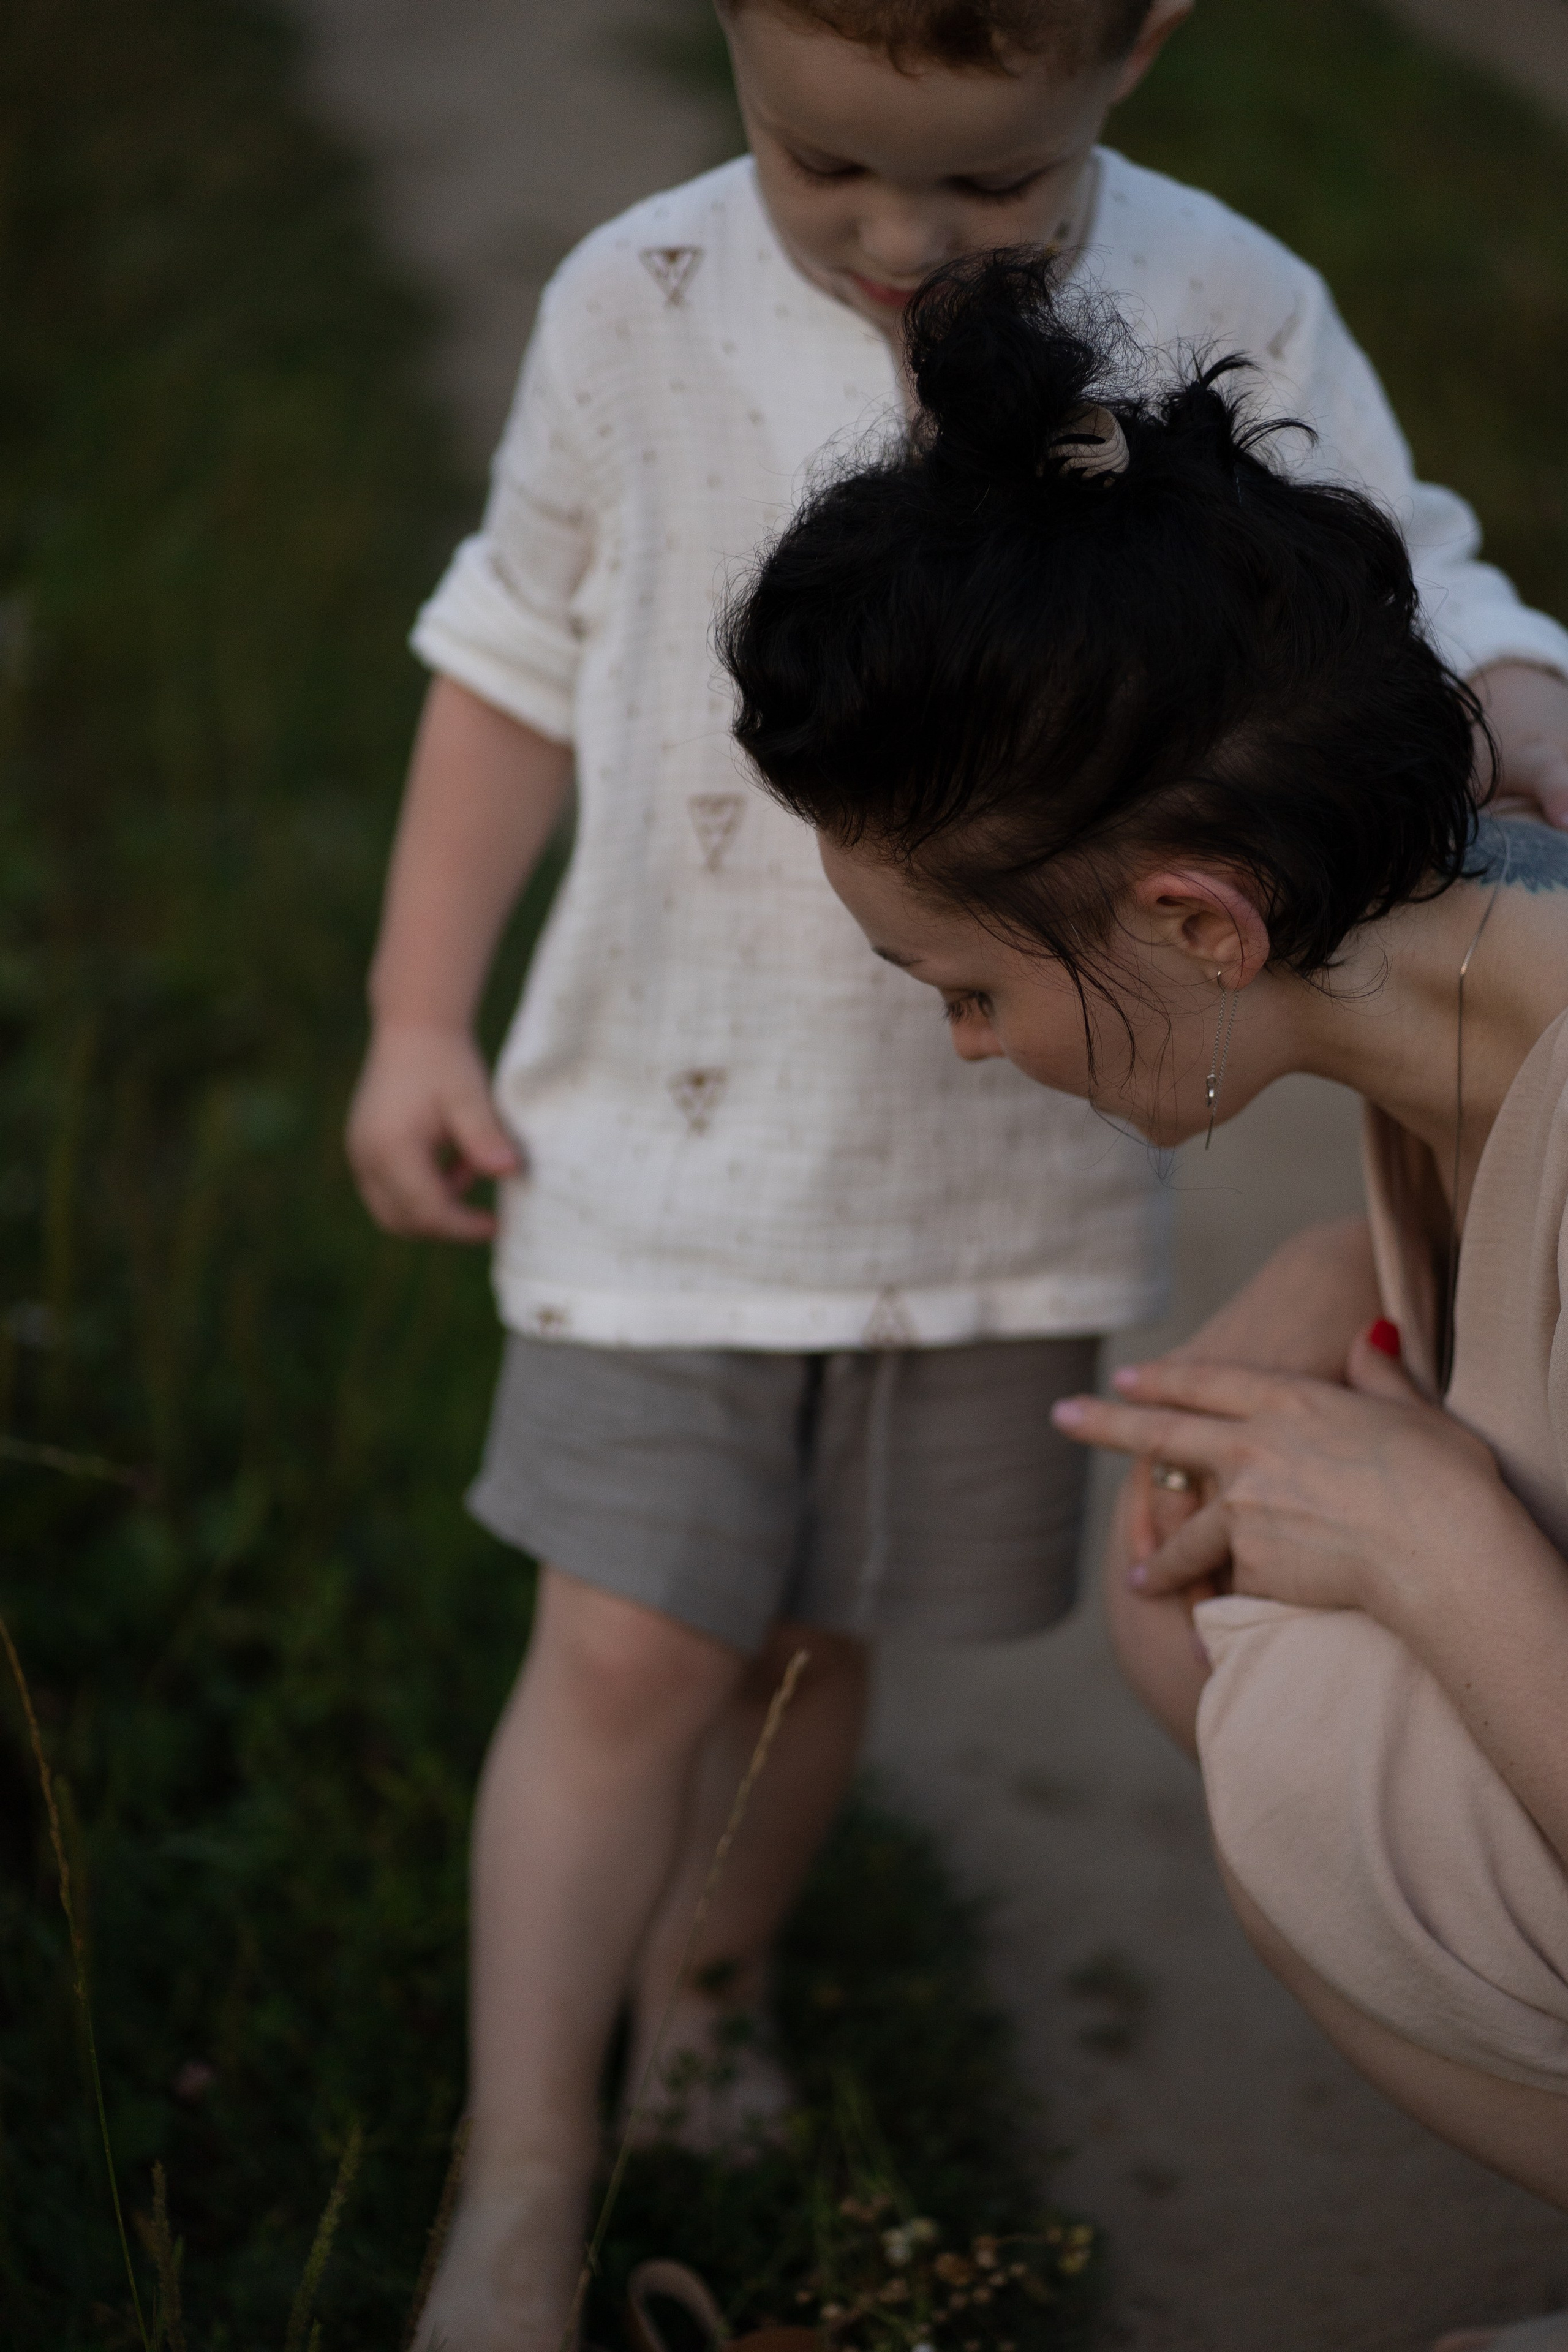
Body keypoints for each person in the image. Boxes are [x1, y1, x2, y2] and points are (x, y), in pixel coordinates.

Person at [347, 5, 1568, 2345]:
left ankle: (711, 1994)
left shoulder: (1229, 299)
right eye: (827, 165)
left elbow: (1402, 574)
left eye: (993, 193)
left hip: (984, 1196)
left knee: (811, 1643)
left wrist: (1513, 706)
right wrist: (419, 1016)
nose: (910, 245)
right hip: (671, 1142)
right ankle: (521, 2169)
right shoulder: (639, 301)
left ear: (1139, 53)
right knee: (619, 1644)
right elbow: (502, 645)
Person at [720, 246, 1568, 2349]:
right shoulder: (1482, 961)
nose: (971, 1048)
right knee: (1208, 1608)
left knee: (1310, 1676)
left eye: (973, 987)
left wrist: (1438, 1537)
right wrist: (1324, 1264)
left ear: (1195, 919)